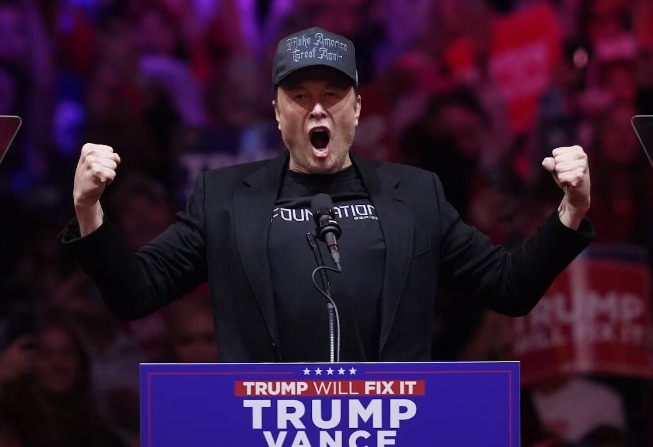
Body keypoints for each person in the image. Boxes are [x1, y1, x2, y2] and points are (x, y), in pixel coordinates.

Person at [59, 26, 594, 363]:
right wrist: (89, 211)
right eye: (299, 96)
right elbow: (135, 294)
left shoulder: (416, 194)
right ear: (277, 111)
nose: (318, 109)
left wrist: (570, 212)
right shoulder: (224, 198)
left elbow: (509, 287)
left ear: (357, 109)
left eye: (333, 95)